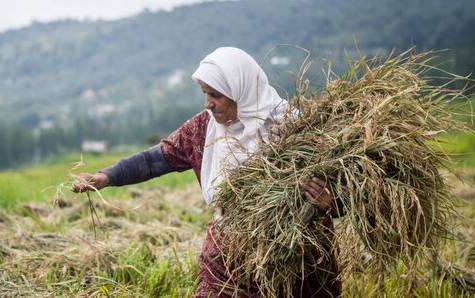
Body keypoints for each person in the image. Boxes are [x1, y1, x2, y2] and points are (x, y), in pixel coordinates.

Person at [71, 47, 341, 297]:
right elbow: (156, 160)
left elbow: (353, 189)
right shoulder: (204, 130)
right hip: (228, 261)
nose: (208, 104)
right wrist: (107, 176)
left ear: (240, 91)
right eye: (204, 93)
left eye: (215, 95)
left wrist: (330, 203)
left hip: (298, 262)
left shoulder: (294, 130)